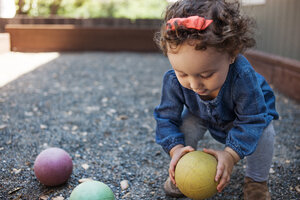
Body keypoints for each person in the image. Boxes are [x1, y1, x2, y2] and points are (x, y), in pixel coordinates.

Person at [153, 0, 279, 199]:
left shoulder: (243, 78)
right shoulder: (171, 80)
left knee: (264, 131)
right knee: (186, 125)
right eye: (182, 74)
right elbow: (166, 118)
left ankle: (256, 180)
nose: (195, 85)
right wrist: (175, 148)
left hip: (247, 116)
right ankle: (183, 170)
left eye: (206, 75)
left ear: (231, 54)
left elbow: (252, 119)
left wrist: (230, 155)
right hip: (201, 114)